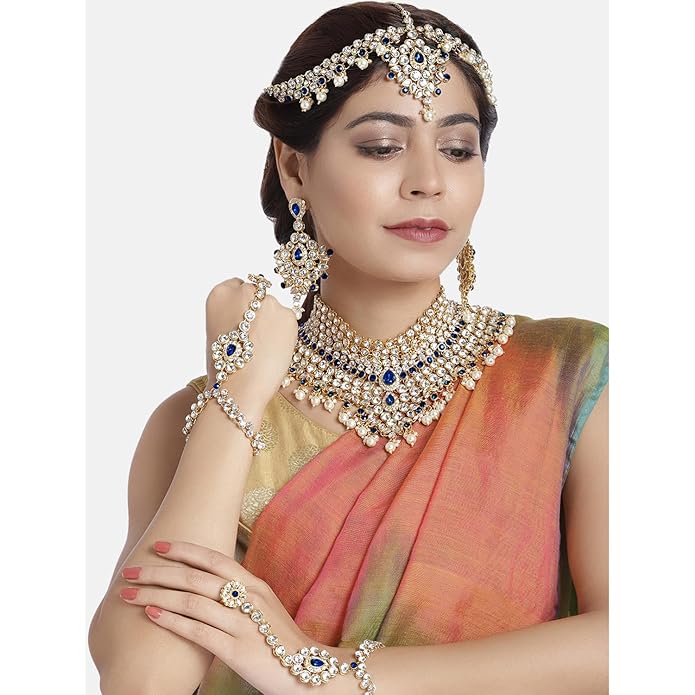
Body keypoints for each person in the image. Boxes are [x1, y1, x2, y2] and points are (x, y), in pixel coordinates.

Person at [88, 2, 608, 693]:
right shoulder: (199, 417)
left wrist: (320, 672)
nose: (429, 180)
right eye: (382, 147)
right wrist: (237, 396)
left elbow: (636, 640)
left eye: (457, 149)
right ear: (294, 168)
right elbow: (145, 682)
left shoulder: (564, 373)